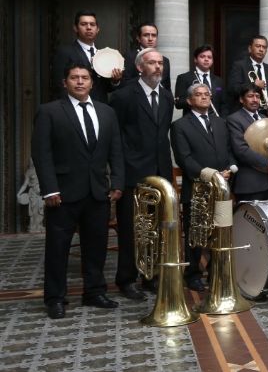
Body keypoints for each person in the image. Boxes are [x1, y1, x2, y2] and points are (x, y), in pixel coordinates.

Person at [32, 64, 124, 319]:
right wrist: (49, 189)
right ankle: (55, 298)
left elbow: (116, 150)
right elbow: (42, 154)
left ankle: (94, 292)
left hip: (98, 192)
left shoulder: (107, 113)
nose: (80, 82)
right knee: (57, 247)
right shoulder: (49, 111)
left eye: (85, 78)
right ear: (66, 83)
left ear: (92, 83)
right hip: (62, 193)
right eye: (75, 78)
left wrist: (117, 183)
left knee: (96, 246)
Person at [109, 48, 174, 300]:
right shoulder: (123, 96)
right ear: (139, 67)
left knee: (155, 229)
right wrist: (118, 176)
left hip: (160, 174)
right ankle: (126, 280)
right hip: (133, 175)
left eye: (160, 63)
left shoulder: (167, 97)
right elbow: (116, 139)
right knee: (131, 230)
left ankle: (150, 276)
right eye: (151, 63)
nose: (158, 67)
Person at [170, 83, 237, 291]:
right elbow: (184, 159)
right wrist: (212, 175)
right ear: (190, 101)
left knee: (220, 232)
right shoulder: (180, 126)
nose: (204, 97)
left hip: (222, 190)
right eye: (198, 95)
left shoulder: (220, 123)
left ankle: (217, 271)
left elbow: (228, 150)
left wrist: (229, 169)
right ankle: (193, 275)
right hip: (197, 190)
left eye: (207, 94)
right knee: (196, 236)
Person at [227, 85, 268, 201]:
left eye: (257, 96)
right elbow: (241, 150)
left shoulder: (266, 118)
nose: (255, 100)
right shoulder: (234, 119)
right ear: (241, 99)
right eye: (250, 96)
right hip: (250, 184)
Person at [51, 10, 123, 102]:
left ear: (97, 29)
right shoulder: (64, 52)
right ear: (75, 28)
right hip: (74, 107)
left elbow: (106, 88)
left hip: (99, 107)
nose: (88, 27)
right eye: (84, 24)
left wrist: (115, 81)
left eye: (92, 24)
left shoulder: (104, 55)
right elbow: (60, 85)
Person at [227, 35, 268, 112]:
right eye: (258, 46)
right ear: (250, 48)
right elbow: (233, 89)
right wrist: (253, 85)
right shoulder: (239, 66)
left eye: (264, 47)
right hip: (245, 114)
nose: (261, 49)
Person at [174, 44, 226, 117]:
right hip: (192, 121)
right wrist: (195, 99)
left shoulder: (219, 81)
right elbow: (178, 103)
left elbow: (224, 104)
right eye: (202, 56)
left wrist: (223, 120)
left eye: (209, 57)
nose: (206, 59)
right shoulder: (184, 78)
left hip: (215, 120)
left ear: (212, 61)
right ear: (195, 59)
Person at [122, 23, 172, 91]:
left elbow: (166, 87)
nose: (150, 39)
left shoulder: (165, 60)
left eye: (154, 35)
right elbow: (125, 83)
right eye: (146, 35)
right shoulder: (130, 57)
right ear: (138, 38)